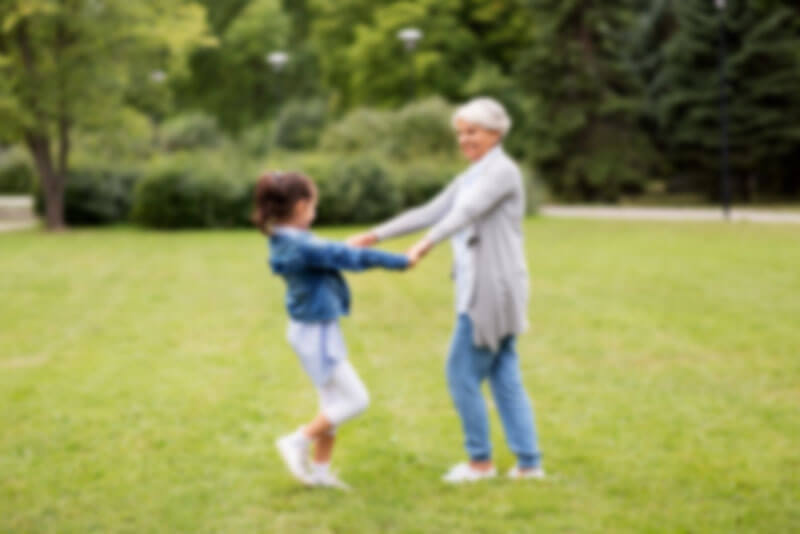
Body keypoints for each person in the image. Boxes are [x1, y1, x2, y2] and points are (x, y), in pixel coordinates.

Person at [348, 97, 544, 483]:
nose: (463, 140)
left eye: (471, 132)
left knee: (460, 373)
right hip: (489, 285)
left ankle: (480, 464)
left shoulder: (501, 172)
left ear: (495, 133)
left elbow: (464, 214)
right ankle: (529, 464)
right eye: (460, 133)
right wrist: (374, 235)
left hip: (492, 288)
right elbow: (431, 210)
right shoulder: (473, 174)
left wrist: (425, 244)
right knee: (504, 374)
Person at [254, 171, 412, 490]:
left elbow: (325, 253)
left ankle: (321, 474)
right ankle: (295, 442)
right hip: (315, 334)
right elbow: (348, 258)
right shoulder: (303, 245)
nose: (316, 211)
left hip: (310, 329)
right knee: (356, 401)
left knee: (332, 406)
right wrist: (401, 260)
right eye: (314, 205)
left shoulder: (285, 239)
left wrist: (343, 245)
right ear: (301, 206)